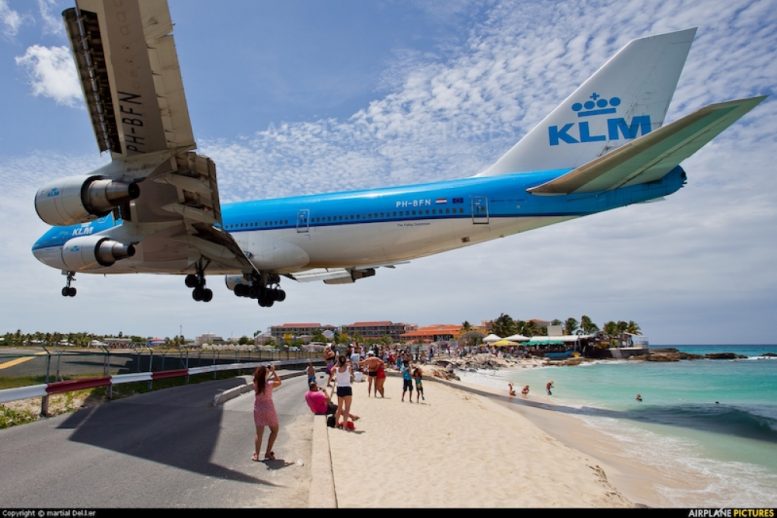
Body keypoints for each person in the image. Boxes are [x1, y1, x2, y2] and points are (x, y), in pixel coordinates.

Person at [251, 365, 281, 462]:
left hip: (258, 409)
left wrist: (267, 372)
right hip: (269, 409)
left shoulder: (255, 383)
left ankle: (256, 455)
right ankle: (268, 453)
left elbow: (260, 379)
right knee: (274, 430)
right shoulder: (269, 384)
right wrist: (274, 371)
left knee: (259, 434)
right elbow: (279, 382)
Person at [329, 354, 356, 428]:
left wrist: (337, 363)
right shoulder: (348, 368)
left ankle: (336, 424)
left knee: (339, 408)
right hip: (347, 388)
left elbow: (331, 370)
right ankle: (344, 426)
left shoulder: (336, 369)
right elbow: (353, 376)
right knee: (347, 408)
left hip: (339, 388)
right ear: (345, 361)